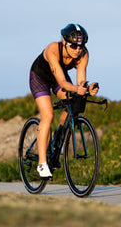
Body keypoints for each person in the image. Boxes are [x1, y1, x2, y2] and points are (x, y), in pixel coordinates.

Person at [29, 23, 99, 178]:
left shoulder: (83, 55)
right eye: (73, 46)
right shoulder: (53, 49)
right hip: (40, 77)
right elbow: (62, 83)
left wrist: (88, 88)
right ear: (64, 42)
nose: (77, 50)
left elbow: (81, 82)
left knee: (73, 102)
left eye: (80, 46)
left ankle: (58, 138)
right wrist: (77, 89)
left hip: (58, 79)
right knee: (47, 115)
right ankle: (42, 163)